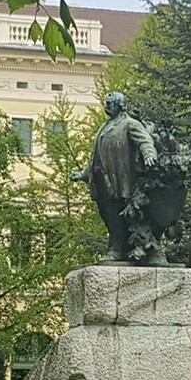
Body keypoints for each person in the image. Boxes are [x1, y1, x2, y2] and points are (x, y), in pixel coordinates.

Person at [72, 91, 163, 263]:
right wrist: (84, 174)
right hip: (103, 181)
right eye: (105, 103)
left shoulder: (129, 124)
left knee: (120, 216)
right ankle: (117, 248)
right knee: (109, 215)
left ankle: (118, 249)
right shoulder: (104, 127)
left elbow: (145, 141)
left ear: (120, 105)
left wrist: (149, 155)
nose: (106, 106)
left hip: (121, 179)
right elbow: (97, 156)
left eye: (109, 103)